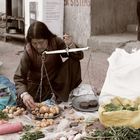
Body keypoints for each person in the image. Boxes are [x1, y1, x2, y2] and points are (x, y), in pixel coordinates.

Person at [14, 21, 84, 109]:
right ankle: (51, 98)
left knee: (74, 61)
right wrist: (25, 94)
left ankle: (59, 94)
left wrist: (70, 45)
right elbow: (19, 77)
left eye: (41, 42)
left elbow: (78, 56)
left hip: (55, 83)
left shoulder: (55, 42)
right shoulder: (28, 52)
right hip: (36, 87)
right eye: (34, 43)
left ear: (48, 38)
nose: (38, 46)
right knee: (25, 103)